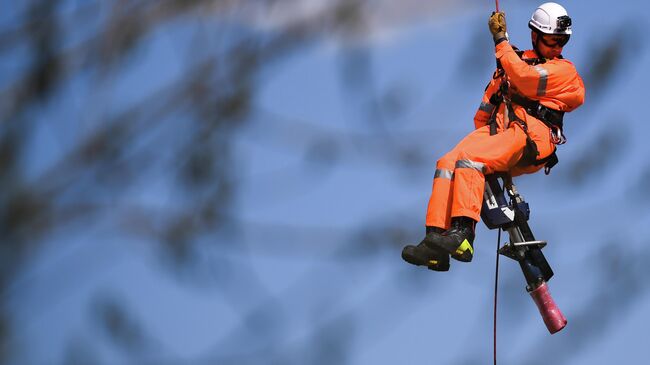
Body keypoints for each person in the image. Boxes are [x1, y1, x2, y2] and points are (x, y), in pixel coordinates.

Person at [402, 2, 585, 271]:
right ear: (535, 35)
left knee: (470, 159)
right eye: (552, 41)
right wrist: (490, 134)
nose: (558, 48)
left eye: (562, 42)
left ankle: (463, 235)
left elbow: (527, 80)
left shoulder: (563, 71)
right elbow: (483, 113)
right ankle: (435, 242)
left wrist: (501, 42)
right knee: (448, 161)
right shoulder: (511, 64)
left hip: (532, 135)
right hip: (502, 131)